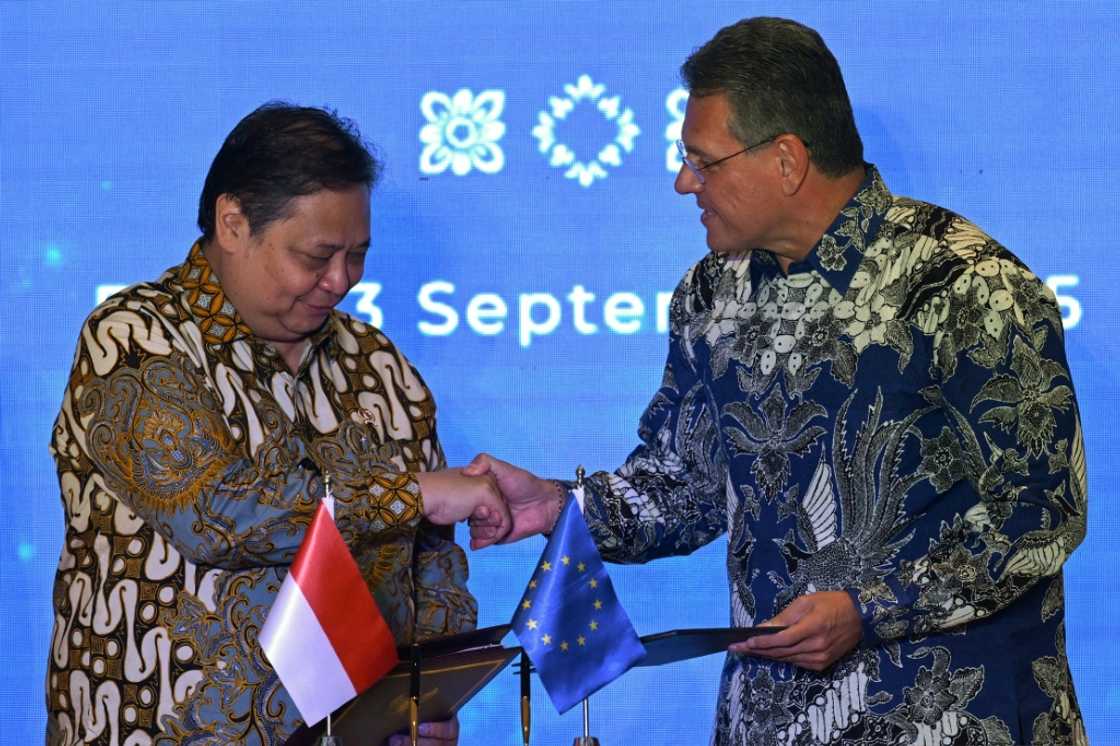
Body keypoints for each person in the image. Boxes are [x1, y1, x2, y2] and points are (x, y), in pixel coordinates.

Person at [468, 16, 1088, 745]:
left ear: (787, 160)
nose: (682, 183)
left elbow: (1043, 511)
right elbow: (689, 487)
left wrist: (870, 608)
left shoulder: (967, 286)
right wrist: (559, 505)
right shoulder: (709, 296)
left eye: (703, 162)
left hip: (956, 718)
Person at [46, 103, 508, 745]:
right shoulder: (136, 339)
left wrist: (431, 694)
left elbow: (432, 563)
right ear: (232, 222)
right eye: (317, 256)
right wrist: (412, 492)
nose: (341, 280)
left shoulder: (377, 365)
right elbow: (209, 512)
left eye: (357, 255)